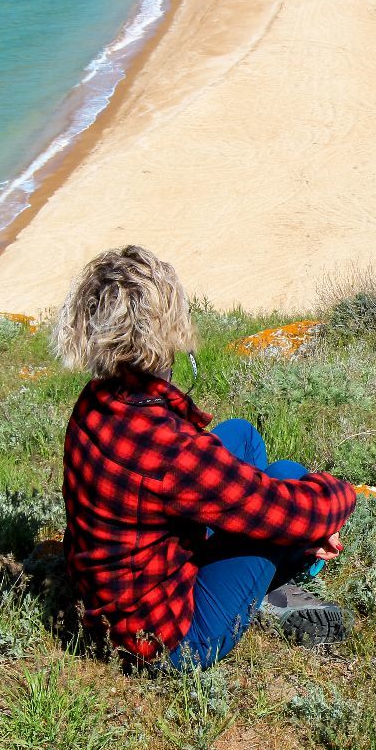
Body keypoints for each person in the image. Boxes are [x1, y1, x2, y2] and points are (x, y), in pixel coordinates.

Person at [53, 245, 357, 670]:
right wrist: (342, 496)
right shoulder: (169, 449)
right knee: (289, 482)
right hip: (166, 639)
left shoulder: (95, 401)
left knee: (243, 437)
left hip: (111, 591)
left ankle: (246, 572)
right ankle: (262, 590)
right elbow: (293, 510)